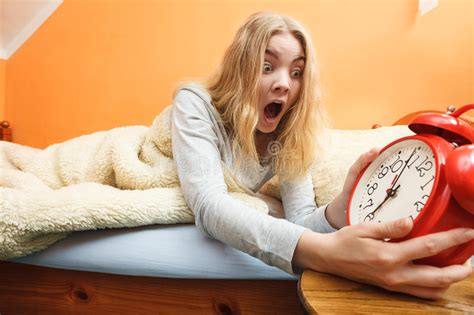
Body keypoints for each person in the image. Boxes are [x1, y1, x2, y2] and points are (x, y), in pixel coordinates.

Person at [170, 11, 473, 300]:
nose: (284, 83)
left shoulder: (287, 132)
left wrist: (340, 208)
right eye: (267, 67)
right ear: (241, 68)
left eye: (297, 72)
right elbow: (209, 204)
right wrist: (324, 254)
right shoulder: (194, 102)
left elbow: (301, 219)